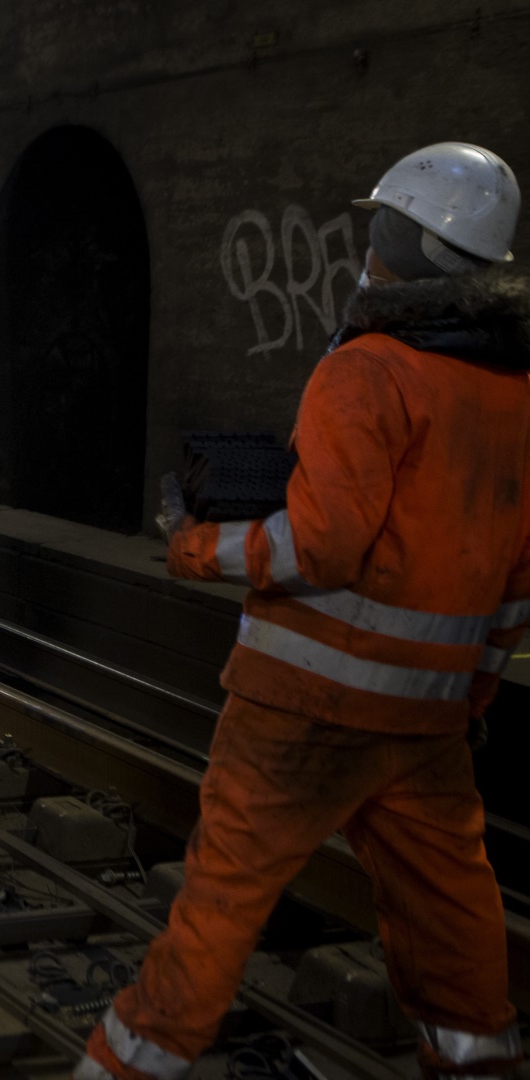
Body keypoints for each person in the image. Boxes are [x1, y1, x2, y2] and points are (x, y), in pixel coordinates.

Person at [80, 142, 530, 1080]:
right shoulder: (515, 397)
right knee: (458, 931)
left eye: (380, 229)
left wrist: (197, 546)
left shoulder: (366, 371)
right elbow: (515, 587)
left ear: (405, 245)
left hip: (301, 710)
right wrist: (470, 698)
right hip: (428, 726)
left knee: (220, 907)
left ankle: (127, 1066)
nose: (368, 245)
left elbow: (316, 545)